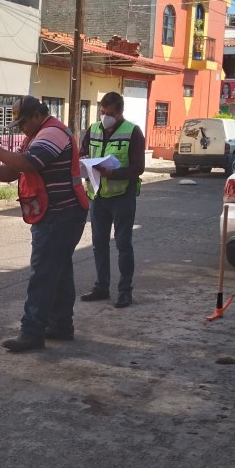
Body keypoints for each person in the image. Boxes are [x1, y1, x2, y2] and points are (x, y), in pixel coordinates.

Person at [0, 96, 89, 352]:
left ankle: (32, 332)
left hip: (60, 215)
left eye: (24, 123)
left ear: (38, 115)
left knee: (43, 274)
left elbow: (28, 163)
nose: (22, 128)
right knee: (59, 273)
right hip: (59, 214)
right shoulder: (36, 138)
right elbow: (15, 172)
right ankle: (60, 325)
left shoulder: (52, 134)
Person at [78, 92, 145, 308]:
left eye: (110, 113)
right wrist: (86, 163)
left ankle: (125, 292)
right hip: (97, 195)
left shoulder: (132, 132)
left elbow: (138, 167)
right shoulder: (93, 129)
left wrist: (113, 174)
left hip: (122, 196)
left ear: (120, 113)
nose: (105, 116)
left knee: (123, 244)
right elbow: (83, 154)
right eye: (103, 112)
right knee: (99, 244)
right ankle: (101, 287)